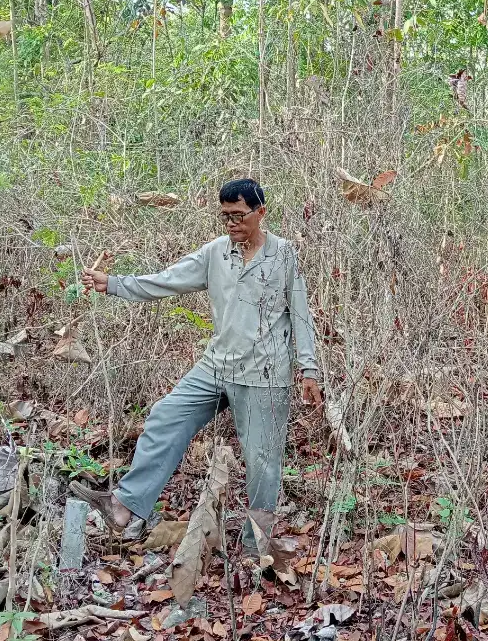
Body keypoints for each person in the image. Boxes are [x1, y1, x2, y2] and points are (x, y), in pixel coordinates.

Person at [72, 178, 322, 550]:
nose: (232, 224)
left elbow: (300, 314)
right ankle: (124, 506)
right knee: (166, 415)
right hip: (216, 366)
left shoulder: (283, 254)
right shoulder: (215, 254)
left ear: (261, 212)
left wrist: (309, 369)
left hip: (264, 374)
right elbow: (167, 280)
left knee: (261, 462)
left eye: (239, 215)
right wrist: (114, 284)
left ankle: (257, 545)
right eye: (225, 217)